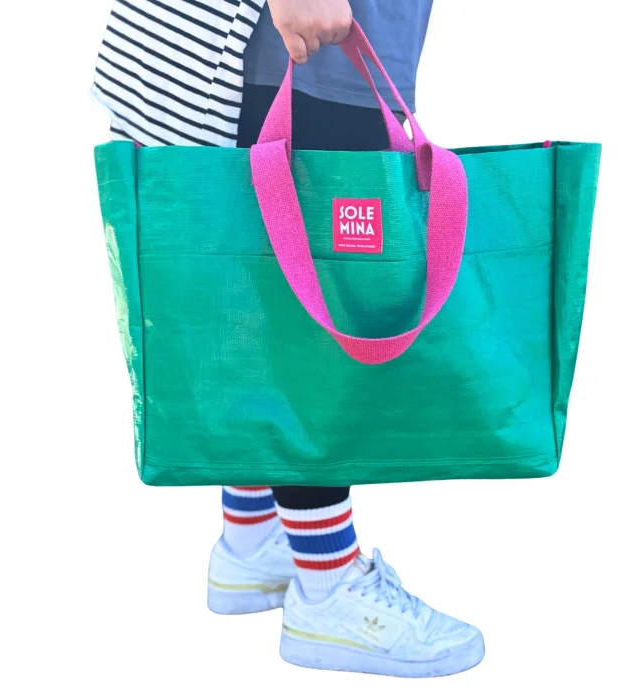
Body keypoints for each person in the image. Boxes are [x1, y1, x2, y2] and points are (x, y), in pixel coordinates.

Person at [93, 0, 484, 677]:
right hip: (291, 38)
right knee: (318, 305)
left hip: (288, 41)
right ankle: (327, 586)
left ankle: (253, 539)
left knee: (261, 288)